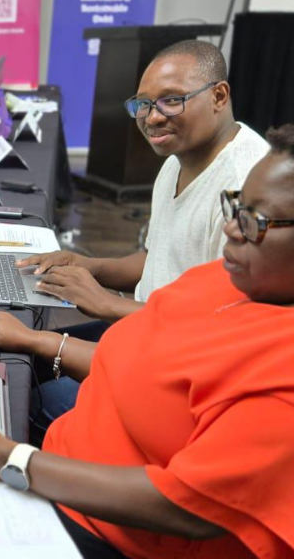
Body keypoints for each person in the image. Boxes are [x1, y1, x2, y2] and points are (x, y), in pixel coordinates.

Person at [0, 126, 294, 558]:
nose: (230, 229)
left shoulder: (283, 373)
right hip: (58, 465)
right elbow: (140, 363)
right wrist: (35, 340)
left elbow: (185, 506)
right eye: (236, 207)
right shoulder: (231, 280)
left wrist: (13, 460)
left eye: (255, 221)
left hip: (100, 529)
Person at [18, 41, 271, 430]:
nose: (152, 118)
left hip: (182, 364)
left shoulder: (245, 188)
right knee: (19, 361)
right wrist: (90, 266)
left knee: (30, 401)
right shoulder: (177, 159)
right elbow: (158, 257)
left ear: (219, 96)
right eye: (143, 104)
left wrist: (105, 304)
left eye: (172, 101)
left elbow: (219, 328)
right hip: (142, 329)